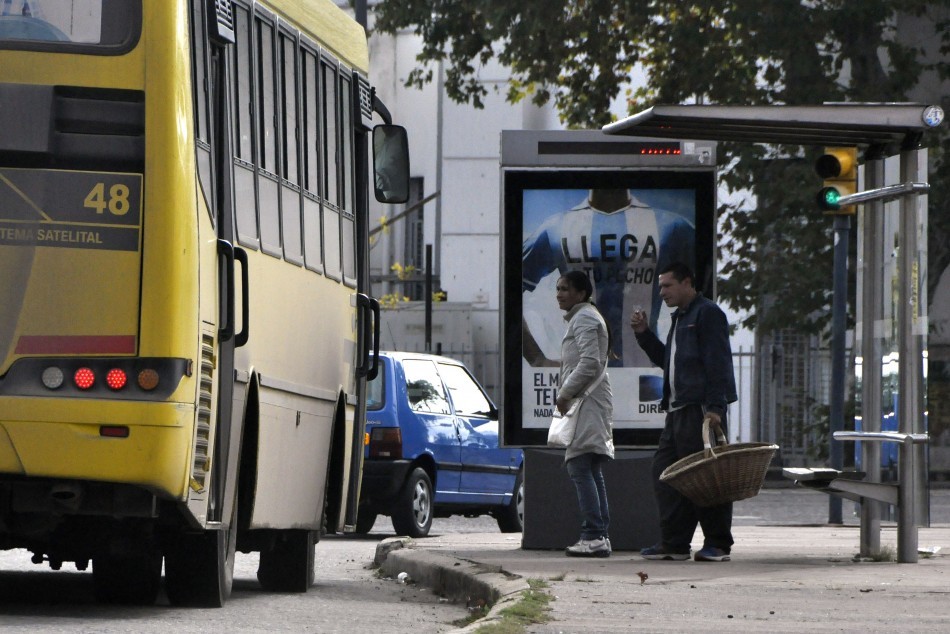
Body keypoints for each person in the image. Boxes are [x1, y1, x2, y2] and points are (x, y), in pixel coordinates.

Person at [630, 261, 737, 562]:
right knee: (666, 474)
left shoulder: (707, 313)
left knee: (707, 478)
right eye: (661, 286)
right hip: (677, 411)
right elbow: (670, 362)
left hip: (700, 410)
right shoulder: (681, 317)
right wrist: (643, 335)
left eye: (667, 285)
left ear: (687, 283)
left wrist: (716, 407)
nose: (662, 292)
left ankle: (718, 543)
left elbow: (719, 362)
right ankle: (675, 543)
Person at [522, 188, 695, 368]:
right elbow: (508, 290)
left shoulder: (671, 227)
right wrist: (537, 358)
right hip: (583, 378)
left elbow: (702, 301)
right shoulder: (556, 228)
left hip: (646, 379)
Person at [556, 270, 615, 558]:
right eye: (558, 288)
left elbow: (590, 362)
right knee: (589, 466)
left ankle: (593, 534)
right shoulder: (582, 318)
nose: (559, 294)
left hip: (587, 402)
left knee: (579, 465)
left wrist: (564, 393)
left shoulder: (586, 318)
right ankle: (599, 534)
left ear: (581, 293)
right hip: (589, 401)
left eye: (565, 289)